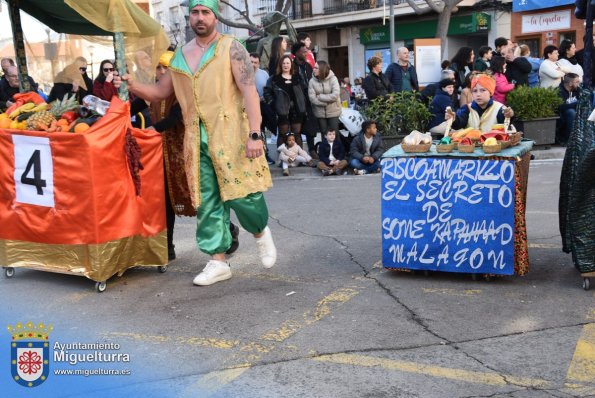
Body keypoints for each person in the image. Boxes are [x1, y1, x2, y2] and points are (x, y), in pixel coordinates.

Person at [115, 0, 276, 286]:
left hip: (230, 134)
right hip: (194, 138)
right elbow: (161, 92)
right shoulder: (179, 56)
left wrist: (255, 133)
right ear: (189, 17)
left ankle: (260, 232)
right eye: (195, 13)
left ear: (216, 16)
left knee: (242, 194)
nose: (200, 18)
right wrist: (131, 84)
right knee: (207, 200)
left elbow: (250, 91)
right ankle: (217, 260)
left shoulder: (232, 47)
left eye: (206, 13)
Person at [445, 73, 514, 132]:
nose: (478, 94)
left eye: (482, 90)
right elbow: (459, 124)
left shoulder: (499, 108)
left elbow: (506, 125)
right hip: (472, 146)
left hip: (494, 144)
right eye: (475, 91)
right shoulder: (467, 108)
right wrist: (453, 119)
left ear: (490, 92)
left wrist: (509, 116)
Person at [264, 54, 306, 148]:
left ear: (291, 64)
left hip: (297, 110)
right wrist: (273, 103)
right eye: (283, 63)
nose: (285, 65)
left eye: (287, 63)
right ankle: (282, 159)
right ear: (280, 65)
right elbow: (267, 92)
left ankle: (298, 157)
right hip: (281, 110)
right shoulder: (274, 79)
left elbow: (304, 91)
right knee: (283, 134)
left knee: (297, 134)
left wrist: (304, 105)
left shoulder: (298, 77)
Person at [292, 41, 318, 158]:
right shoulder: (292, 66)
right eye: (303, 52)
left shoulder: (308, 66)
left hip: (309, 100)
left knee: (311, 126)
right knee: (297, 128)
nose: (305, 53)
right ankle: (299, 152)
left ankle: (312, 150)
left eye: (306, 51)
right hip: (297, 100)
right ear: (297, 53)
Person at [249, 52, 275, 165]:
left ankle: (265, 154)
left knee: (262, 131)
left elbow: (269, 90)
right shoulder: (241, 74)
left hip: (262, 106)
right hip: (248, 108)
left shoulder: (264, 74)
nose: (253, 64)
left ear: (259, 64)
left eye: (255, 62)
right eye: (251, 62)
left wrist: (263, 98)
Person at [308, 60, 341, 134]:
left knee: (334, 134)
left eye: (316, 68)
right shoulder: (312, 81)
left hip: (333, 111)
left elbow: (335, 95)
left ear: (322, 69)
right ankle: (325, 146)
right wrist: (324, 103)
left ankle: (336, 146)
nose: (314, 69)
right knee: (324, 134)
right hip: (319, 112)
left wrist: (320, 97)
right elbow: (312, 98)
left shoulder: (333, 79)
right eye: (314, 68)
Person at [556, 72, 581, 146]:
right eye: (577, 82)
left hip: (576, 113)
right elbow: (561, 107)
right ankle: (568, 140)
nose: (578, 83)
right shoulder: (559, 91)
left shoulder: (577, 90)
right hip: (561, 116)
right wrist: (577, 104)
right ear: (570, 83)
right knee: (571, 112)